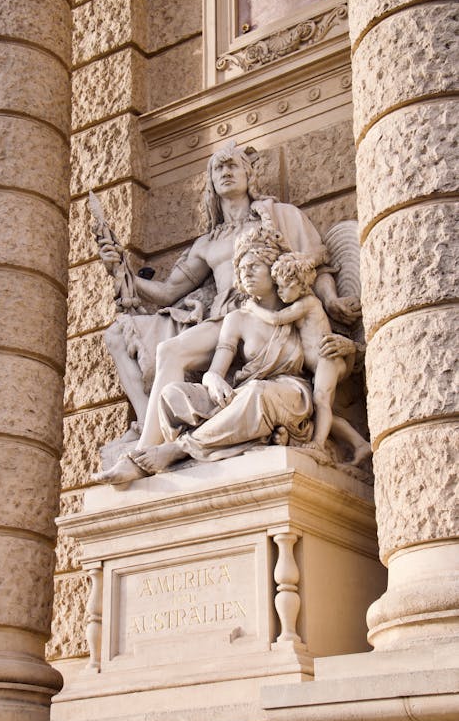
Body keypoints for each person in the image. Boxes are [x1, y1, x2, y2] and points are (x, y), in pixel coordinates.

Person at [95, 142, 360, 484]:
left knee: (173, 351)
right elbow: (168, 291)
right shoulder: (208, 242)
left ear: (250, 175)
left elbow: (313, 265)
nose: (225, 172)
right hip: (226, 316)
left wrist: (333, 298)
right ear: (211, 182)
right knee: (165, 348)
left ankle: (146, 455)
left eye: (232, 165)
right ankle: (148, 442)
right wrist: (122, 269)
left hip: (267, 313)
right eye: (218, 168)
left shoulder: (280, 216)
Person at [130, 226, 313, 475]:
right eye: (242, 268)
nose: (245, 274)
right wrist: (213, 379)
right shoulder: (236, 318)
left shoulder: (300, 312)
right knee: (172, 394)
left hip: (289, 392)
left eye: (254, 267)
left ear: (273, 270)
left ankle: (179, 449)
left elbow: (322, 362)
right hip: (241, 393)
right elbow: (215, 371)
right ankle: (247, 435)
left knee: (257, 394)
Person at [244, 252, 371, 464]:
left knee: (321, 402)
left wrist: (252, 307)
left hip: (327, 360)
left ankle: (318, 445)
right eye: (278, 286)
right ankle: (359, 444)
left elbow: (276, 318)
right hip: (321, 364)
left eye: (284, 286)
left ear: (300, 285)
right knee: (320, 409)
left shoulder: (308, 303)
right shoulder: (300, 301)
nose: (280, 291)